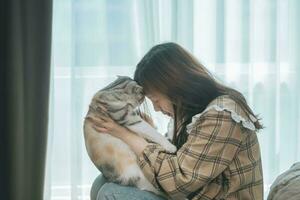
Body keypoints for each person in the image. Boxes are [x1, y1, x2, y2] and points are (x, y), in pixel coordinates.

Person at [89, 42, 264, 200]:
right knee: (103, 181)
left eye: (156, 100)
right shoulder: (192, 114)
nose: (156, 108)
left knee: (112, 192)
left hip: (194, 192)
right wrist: (150, 133)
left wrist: (129, 137)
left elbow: (179, 181)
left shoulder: (222, 115)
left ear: (175, 86)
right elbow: (173, 159)